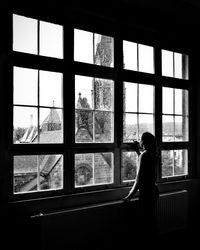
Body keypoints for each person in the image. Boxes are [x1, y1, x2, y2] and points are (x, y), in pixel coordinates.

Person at [123, 132, 159, 244]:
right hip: (154, 191)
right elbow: (145, 165)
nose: (140, 141)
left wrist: (129, 196)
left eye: (141, 140)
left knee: (144, 221)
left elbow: (139, 179)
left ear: (144, 142)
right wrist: (138, 151)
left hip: (146, 194)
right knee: (150, 220)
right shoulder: (154, 154)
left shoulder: (145, 155)